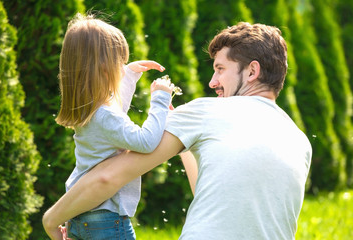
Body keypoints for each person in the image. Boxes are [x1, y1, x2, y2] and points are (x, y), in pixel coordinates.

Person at [43, 22, 312, 240]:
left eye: (220, 69)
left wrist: (51, 219)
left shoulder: (205, 112)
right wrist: (187, 146)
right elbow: (213, 194)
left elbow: (106, 178)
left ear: (252, 71)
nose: (212, 82)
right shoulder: (299, 141)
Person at [52, 13, 173, 240]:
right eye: (121, 62)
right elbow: (145, 142)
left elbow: (114, 113)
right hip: (106, 221)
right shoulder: (105, 115)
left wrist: (129, 74)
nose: (123, 66)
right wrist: (160, 100)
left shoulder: (90, 109)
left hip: (80, 216)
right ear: (105, 68)